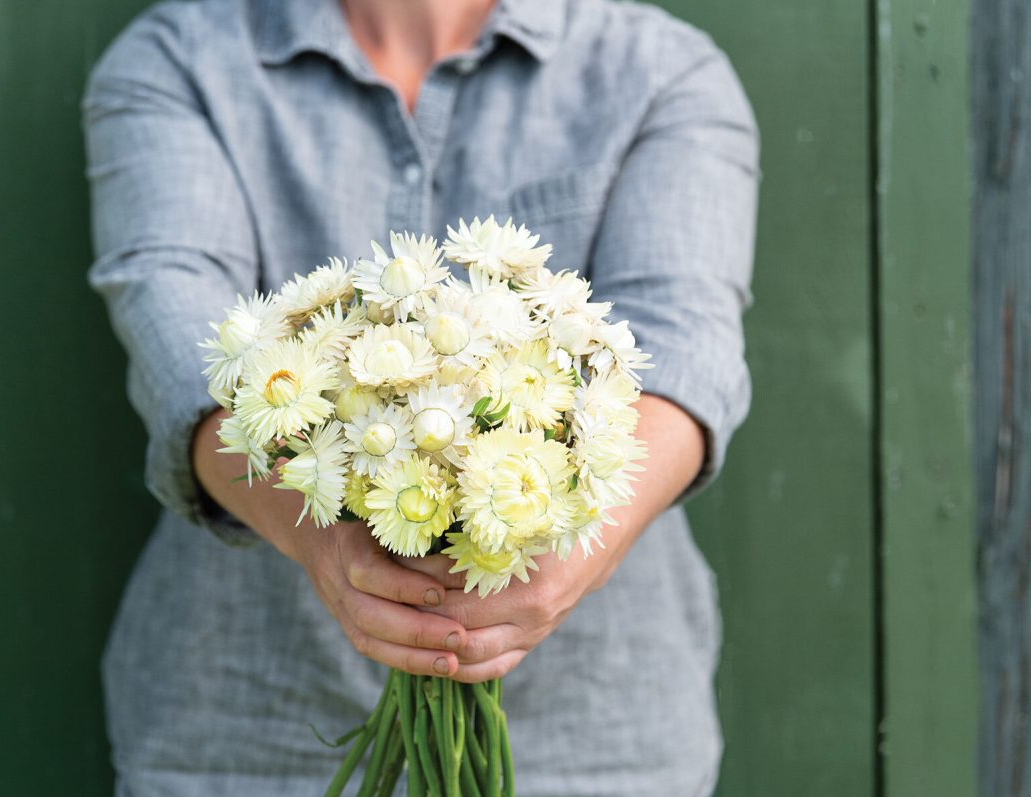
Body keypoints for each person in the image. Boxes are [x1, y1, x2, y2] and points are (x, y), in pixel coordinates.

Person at [84, 0, 758, 793]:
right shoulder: (179, 60)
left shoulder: (662, 72)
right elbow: (178, 334)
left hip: (592, 736)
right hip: (245, 725)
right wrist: (321, 541)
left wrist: (553, 562)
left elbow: (685, 349)